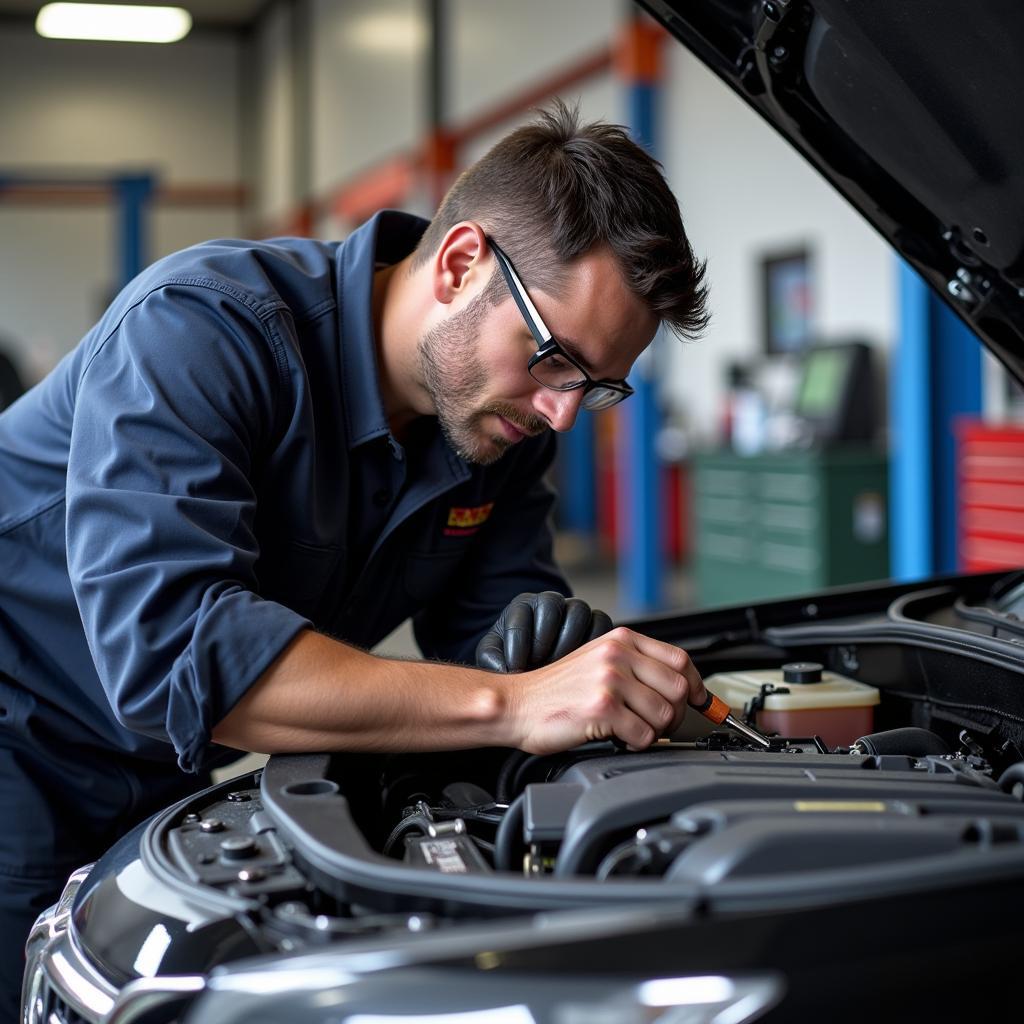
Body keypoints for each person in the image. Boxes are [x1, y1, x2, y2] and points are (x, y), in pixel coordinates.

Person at [0, 101, 708, 1014]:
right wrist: (513, 702)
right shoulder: (203, 331)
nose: (563, 412)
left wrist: (554, 654)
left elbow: (500, 624)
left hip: (166, 769)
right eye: (553, 358)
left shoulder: (499, 423)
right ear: (461, 265)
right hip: (23, 733)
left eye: (596, 386)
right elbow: (180, 657)